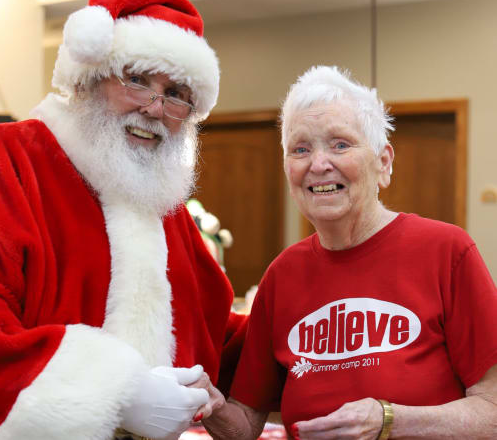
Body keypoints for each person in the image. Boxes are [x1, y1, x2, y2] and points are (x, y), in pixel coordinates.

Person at [0, 0, 247, 440]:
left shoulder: (158, 202)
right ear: (90, 76)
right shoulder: (10, 160)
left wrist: (309, 320)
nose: (154, 108)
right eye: (136, 80)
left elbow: (213, 327)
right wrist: (119, 392)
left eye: (175, 93)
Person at [201, 66, 497, 439]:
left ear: (383, 163)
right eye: (301, 149)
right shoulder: (282, 275)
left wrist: (389, 420)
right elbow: (245, 425)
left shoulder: (447, 252)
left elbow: (493, 412)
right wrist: (208, 403)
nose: (319, 164)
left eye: (340, 144)